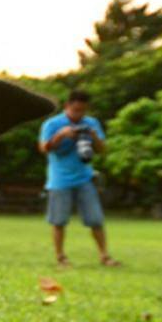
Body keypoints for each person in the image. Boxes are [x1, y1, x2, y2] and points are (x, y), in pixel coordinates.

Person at [38, 89, 119, 267]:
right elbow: (43, 149)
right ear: (67, 106)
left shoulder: (91, 123)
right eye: (75, 111)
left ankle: (104, 256)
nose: (78, 115)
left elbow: (102, 150)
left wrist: (94, 136)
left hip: (85, 178)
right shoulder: (52, 124)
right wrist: (61, 135)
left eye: (82, 111)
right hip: (59, 180)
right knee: (59, 221)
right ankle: (61, 258)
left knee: (96, 220)